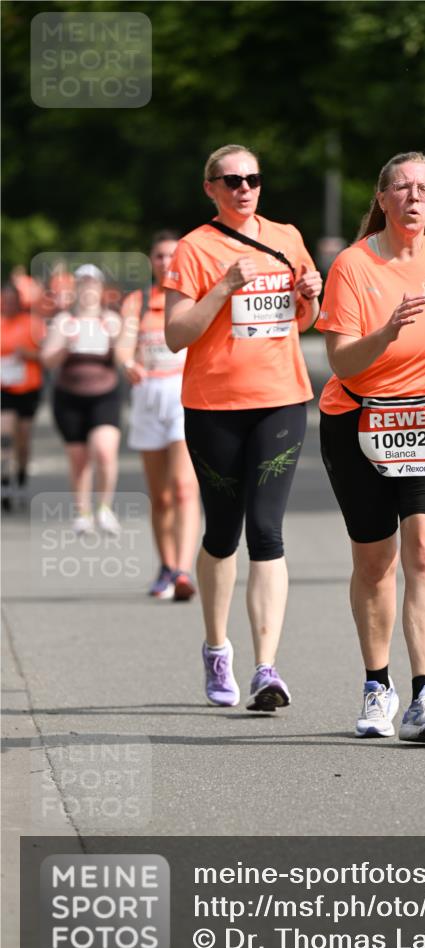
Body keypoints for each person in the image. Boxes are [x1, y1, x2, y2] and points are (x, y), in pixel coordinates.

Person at [317, 151, 425, 743]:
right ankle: (377, 685)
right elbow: (342, 360)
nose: (415, 197)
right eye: (403, 187)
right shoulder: (353, 265)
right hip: (359, 420)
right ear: (383, 197)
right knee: (375, 562)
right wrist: (388, 331)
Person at [163, 143, 322, 711]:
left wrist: (309, 297)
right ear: (210, 188)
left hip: (281, 400)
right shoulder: (194, 248)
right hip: (214, 405)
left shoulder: (287, 237)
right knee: (222, 532)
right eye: (231, 180)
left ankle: (265, 668)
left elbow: (304, 320)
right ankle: (216, 647)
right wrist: (224, 286)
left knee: (266, 530)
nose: (244, 188)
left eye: (252, 178)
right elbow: (176, 334)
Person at [118, 231, 200, 601]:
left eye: (172, 256)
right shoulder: (137, 302)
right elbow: (123, 344)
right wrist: (126, 362)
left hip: (184, 395)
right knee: (161, 495)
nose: (166, 262)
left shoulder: (193, 297)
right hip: (148, 397)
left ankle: (183, 570)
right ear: (151, 261)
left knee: (183, 487)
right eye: (159, 256)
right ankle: (166, 566)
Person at [41, 264, 123, 535]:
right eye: (83, 283)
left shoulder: (111, 320)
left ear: (100, 288)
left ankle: (105, 508)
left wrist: (116, 341)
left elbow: (124, 358)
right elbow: (47, 360)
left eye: (93, 283)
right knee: (78, 459)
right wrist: (66, 344)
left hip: (105, 395)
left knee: (104, 450)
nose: (88, 288)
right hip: (69, 397)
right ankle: (83, 512)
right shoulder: (64, 320)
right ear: (75, 288)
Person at [1, 281, 46, 510]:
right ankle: (5, 483)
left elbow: (47, 356)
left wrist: (27, 354)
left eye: (12, 301)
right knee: (5, 435)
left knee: (23, 440)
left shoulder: (33, 323)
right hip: (4, 390)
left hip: (28, 389)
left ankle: (21, 480)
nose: (8, 305)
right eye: (4, 301)